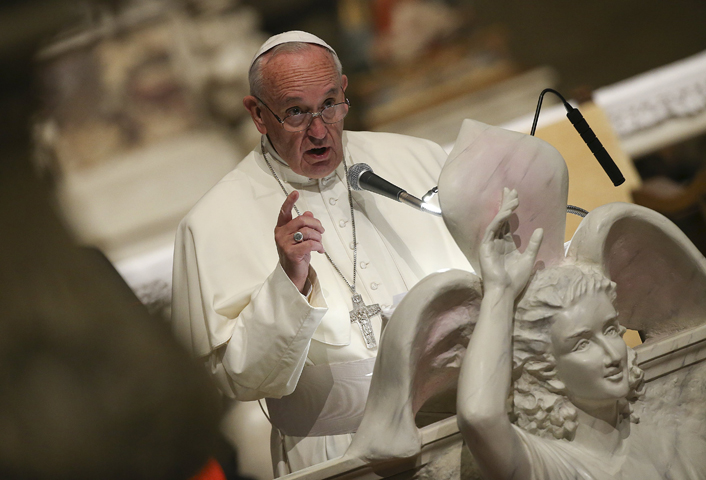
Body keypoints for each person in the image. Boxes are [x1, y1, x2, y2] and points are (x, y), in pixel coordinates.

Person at [171, 31, 472, 476]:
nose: (318, 130)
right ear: (257, 114)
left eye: (330, 104)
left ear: (345, 91)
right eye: (295, 111)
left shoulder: (418, 161)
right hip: (337, 454)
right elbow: (241, 380)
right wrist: (289, 281)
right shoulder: (211, 222)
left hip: (460, 423)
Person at [456, 188, 702, 480]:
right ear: (546, 369)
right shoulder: (552, 467)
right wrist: (500, 291)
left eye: (611, 330)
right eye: (583, 343)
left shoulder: (666, 440)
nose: (613, 354)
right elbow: (479, 417)